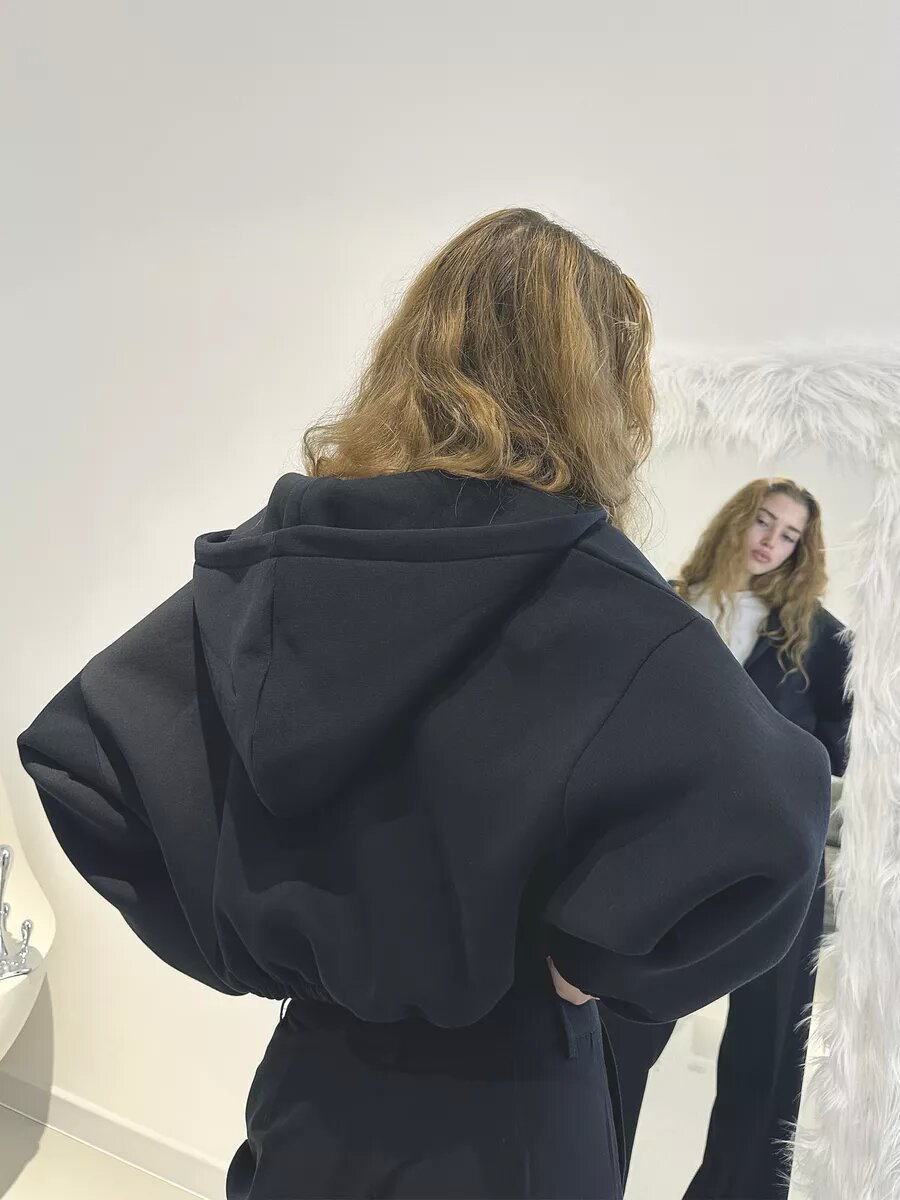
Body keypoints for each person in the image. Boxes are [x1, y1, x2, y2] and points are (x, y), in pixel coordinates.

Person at [16, 211, 832, 1200]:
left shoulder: (291, 558)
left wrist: (254, 939)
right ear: (604, 391)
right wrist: (595, 963)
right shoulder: (602, 599)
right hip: (511, 1112)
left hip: (315, 1092)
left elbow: (88, 759)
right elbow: (778, 816)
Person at [600, 477, 853, 1200]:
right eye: (763, 521)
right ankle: (588, 1173)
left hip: (779, 864)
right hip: (664, 852)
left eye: (789, 535)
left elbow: (844, 751)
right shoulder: (669, 604)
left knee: (767, 1051)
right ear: (737, 519)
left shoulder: (820, 638)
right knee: (621, 1030)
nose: (771, 541)